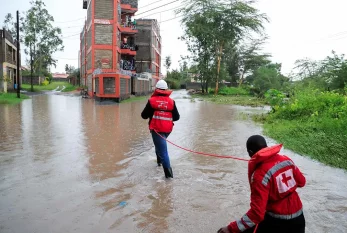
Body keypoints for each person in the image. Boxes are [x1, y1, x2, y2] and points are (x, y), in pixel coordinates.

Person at [218, 135, 306, 233]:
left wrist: (230, 228)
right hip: (299, 219)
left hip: (277, 222)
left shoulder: (259, 175)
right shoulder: (286, 160)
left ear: (250, 152)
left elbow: (257, 214)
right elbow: (302, 182)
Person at [141, 80, 180, 178]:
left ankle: (169, 178)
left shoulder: (152, 101)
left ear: (156, 89)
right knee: (159, 145)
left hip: (156, 130)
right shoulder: (171, 102)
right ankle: (159, 163)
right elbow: (176, 117)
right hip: (167, 130)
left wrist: (154, 112)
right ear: (166, 89)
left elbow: (144, 115)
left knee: (163, 151)